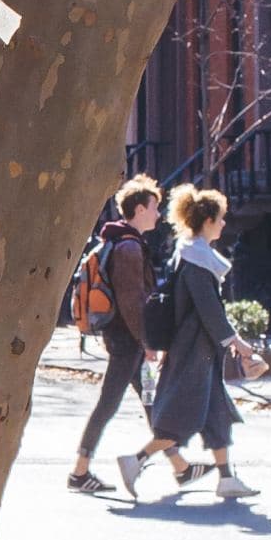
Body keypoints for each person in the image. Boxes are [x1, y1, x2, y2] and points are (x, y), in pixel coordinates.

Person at [118, 186, 258, 503]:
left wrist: (230, 340)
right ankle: (135, 461)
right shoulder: (197, 260)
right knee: (181, 415)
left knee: (217, 415)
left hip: (202, 350)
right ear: (207, 220)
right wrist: (237, 342)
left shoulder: (195, 254)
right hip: (194, 351)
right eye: (220, 218)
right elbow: (208, 309)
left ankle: (226, 479)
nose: (224, 224)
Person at [68, 176, 163, 495]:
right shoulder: (129, 248)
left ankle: (180, 465)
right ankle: (80, 472)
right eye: (154, 208)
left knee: (151, 399)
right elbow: (131, 303)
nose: (158, 214)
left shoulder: (122, 242)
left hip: (128, 340)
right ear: (139, 209)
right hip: (127, 341)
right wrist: (147, 343)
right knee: (108, 403)